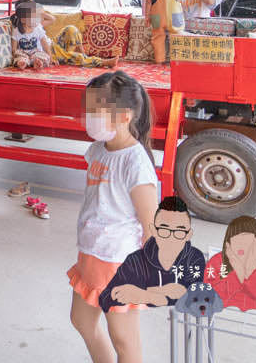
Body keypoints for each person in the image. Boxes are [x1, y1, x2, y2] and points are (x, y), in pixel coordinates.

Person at [67, 71, 159, 363]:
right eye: (88, 109)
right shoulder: (97, 150)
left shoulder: (135, 163)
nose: (89, 117)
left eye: (97, 111)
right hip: (92, 253)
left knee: (124, 340)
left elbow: (151, 226)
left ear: (124, 116)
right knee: (81, 320)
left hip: (119, 262)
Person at [99, 195, 204, 311]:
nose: (171, 238)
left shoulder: (194, 258)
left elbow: (199, 298)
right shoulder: (136, 261)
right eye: (164, 230)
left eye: (179, 232)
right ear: (154, 230)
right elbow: (104, 298)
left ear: (188, 235)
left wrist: (148, 295)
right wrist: (157, 294)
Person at [10, 0, 53, 68]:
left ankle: (37, 62)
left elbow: (45, 45)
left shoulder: (38, 28)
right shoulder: (16, 31)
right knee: (19, 57)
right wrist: (20, 55)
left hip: (36, 53)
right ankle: (22, 63)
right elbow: (14, 49)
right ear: (23, 19)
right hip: (23, 54)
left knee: (42, 56)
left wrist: (50, 57)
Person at [53, 25, 118, 68]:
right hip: (51, 53)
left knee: (70, 28)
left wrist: (42, 12)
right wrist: (50, 57)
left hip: (52, 43)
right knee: (77, 57)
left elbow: (51, 19)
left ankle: (82, 54)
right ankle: (103, 62)